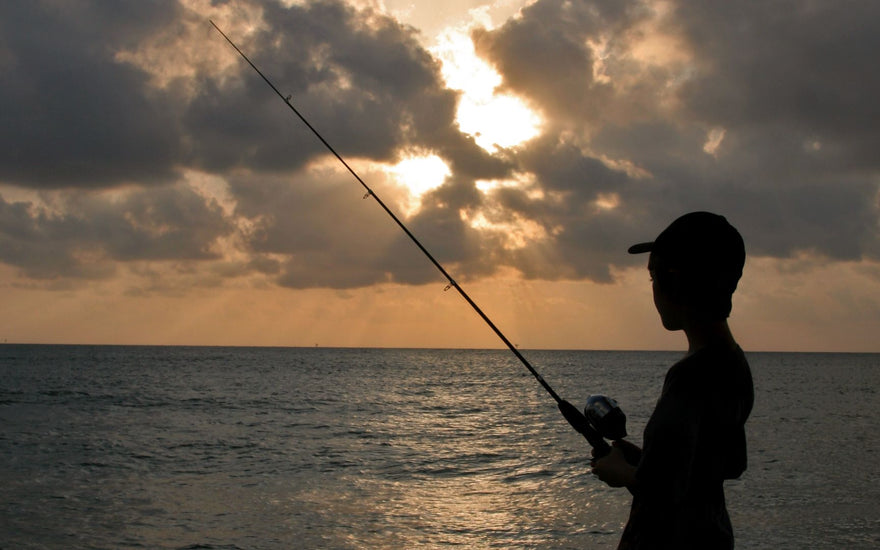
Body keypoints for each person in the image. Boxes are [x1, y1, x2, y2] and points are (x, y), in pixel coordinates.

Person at [591, 211, 754, 549]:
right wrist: (647, 458)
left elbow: (663, 494)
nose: (654, 290)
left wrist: (620, 473)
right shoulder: (733, 363)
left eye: (654, 278)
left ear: (675, 282)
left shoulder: (690, 377)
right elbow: (727, 464)